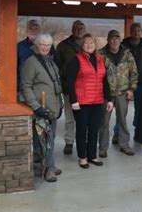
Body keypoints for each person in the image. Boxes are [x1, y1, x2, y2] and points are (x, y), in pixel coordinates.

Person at [21, 33, 63, 182]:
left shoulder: (50, 61)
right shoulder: (31, 62)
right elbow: (26, 86)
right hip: (41, 108)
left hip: (53, 108)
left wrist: (60, 104)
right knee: (44, 141)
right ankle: (48, 171)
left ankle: (50, 164)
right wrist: (36, 106)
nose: (45, 47)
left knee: (51, 139)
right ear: (37, 46)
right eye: (43, 45)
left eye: (48, 45)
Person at [67, 34, 113, 169]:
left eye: (91, 43)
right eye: (86, 43)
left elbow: (104, 81)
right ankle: (82, 157)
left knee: (94, 130)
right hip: (81, 103)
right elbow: (70, 81)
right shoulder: (76, 60)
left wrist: (109, 99)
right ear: (82, 45)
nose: (89, 45)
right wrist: (73, 100)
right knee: (82, 130)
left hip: (97, 102)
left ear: (95, 44)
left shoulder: (99, 59)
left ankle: (92, 155)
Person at [98, 30, 138, 157]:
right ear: (108, 40)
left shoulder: (127, 54)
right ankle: (103, 148)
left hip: (123, 92)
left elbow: (134, 73)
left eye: (117, 38)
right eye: (112, 39)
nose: (115, 41)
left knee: (122, 120)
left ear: (120, 40)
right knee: (104, 122)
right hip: (106, 95)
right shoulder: (100, 54)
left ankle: (124, 145)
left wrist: (132, 89)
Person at [56, 20, 86, 155]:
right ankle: (69, 141)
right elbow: (56, 67)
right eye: (76, 28)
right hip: (70, 87)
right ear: (72, 29)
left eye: (81, 28)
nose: (79, 30)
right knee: (70, 117)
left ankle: (83, 140)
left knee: (84, 117)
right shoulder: (63, 46)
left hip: (86, 88)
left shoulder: (89, 44)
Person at [121, 22, 142, 141]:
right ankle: (117, 133)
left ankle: (138, 132)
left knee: (139, 109)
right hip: (125, 83)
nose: (136, 32)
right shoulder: (123, 45)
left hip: (141, 83)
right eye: (134, 30)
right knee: (121, 110)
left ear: (141, 32)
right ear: (130, 31)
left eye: (139, 30)